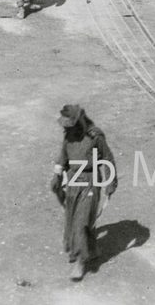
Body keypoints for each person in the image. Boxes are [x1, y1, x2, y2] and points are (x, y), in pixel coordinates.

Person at [50, 104, 117, 282]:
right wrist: (57, 176)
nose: (65, 127)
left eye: (69, 124)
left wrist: (110, 183)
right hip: (72, 182)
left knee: (81, 221)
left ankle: (80, 261)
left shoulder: (95, 136)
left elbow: (108, 158)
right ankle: (92, 249)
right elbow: (63, 156)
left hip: (90, 181)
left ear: (78, 121)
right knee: (74, 219)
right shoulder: (68, 135)